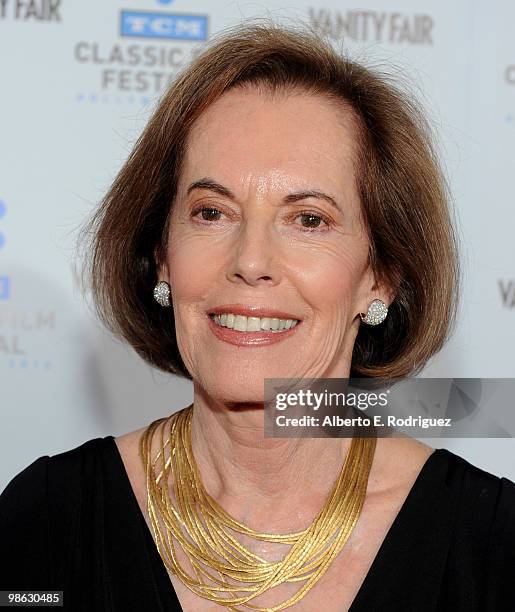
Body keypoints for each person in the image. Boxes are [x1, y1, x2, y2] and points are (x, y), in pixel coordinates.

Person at [1, 21, 514, 612]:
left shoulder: (490, 548)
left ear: (382, 275)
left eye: (309, 220)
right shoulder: (48, 520)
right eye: (212, 212)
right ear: (162, 255)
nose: (249, 261)